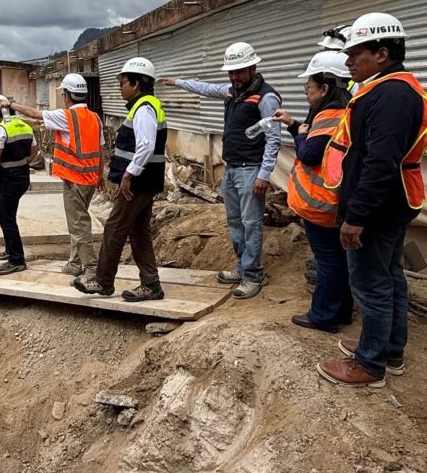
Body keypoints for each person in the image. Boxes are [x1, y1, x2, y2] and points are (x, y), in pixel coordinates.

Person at [317, 12, 427, 388]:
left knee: (371, 284)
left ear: (381, 54)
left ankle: (370, 365)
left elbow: (380, 163)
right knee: (390, 277)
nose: (348, 62)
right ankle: (389, 350)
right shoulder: (393, 89)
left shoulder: (391, 96)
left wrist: (356, 216)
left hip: (378, 208)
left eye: (355, 54)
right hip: (393, 203)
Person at [161, 42, 282, 299]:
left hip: (251, 170)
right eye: (231, 72)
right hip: (232, 168)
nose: (234, 77)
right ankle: (243, 266)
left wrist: (264, 174)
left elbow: (273, 139)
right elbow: (206, 88)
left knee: (251, 223)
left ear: (252, 67)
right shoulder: (232, 92)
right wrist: (179, 82)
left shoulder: (266, 97)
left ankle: (253, 275)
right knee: (235, 222)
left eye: (239, 71)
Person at [73, 57, 166, 302]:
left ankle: (103, 282)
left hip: (138, 182)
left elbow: (146, 146)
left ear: (136, 84)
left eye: (123, 82)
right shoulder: (145, 106)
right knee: (139, 232)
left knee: (114, 228)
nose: (120, 87)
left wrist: (128, 174)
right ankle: (151, 284)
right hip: (145, 181)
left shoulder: (144, 109)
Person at [273, 51, 353, 333]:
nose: (306, 93)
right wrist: (295, 125)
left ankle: (323, 316)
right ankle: (342, 310)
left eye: (308, 88)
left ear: (325, 88)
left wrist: (302, 133)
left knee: (328, 260)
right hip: (333, 201)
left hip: (321, 203)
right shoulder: (343, 109)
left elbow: (309, 153)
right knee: (339, 258)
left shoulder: (329, 115)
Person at [11, 73, 105, 278]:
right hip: (90, 180)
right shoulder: (95, 117)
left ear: (68, 96)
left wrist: (12, 105)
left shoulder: (67, 116)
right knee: (77, 221)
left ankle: (90, 269)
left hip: (74, 180)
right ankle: (75, 263)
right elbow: (101, 149)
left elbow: (35, 114)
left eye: (63, 94)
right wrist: (100, 176)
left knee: (79, 225)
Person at [0, 95, 38, 275]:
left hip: (7, 179)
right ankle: (10, 249)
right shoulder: (25, 126)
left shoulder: (1, 130)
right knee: (10, 215)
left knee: (7, 218)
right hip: (23, 177)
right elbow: (34, 151)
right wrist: (24, 162)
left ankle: (16, 259)